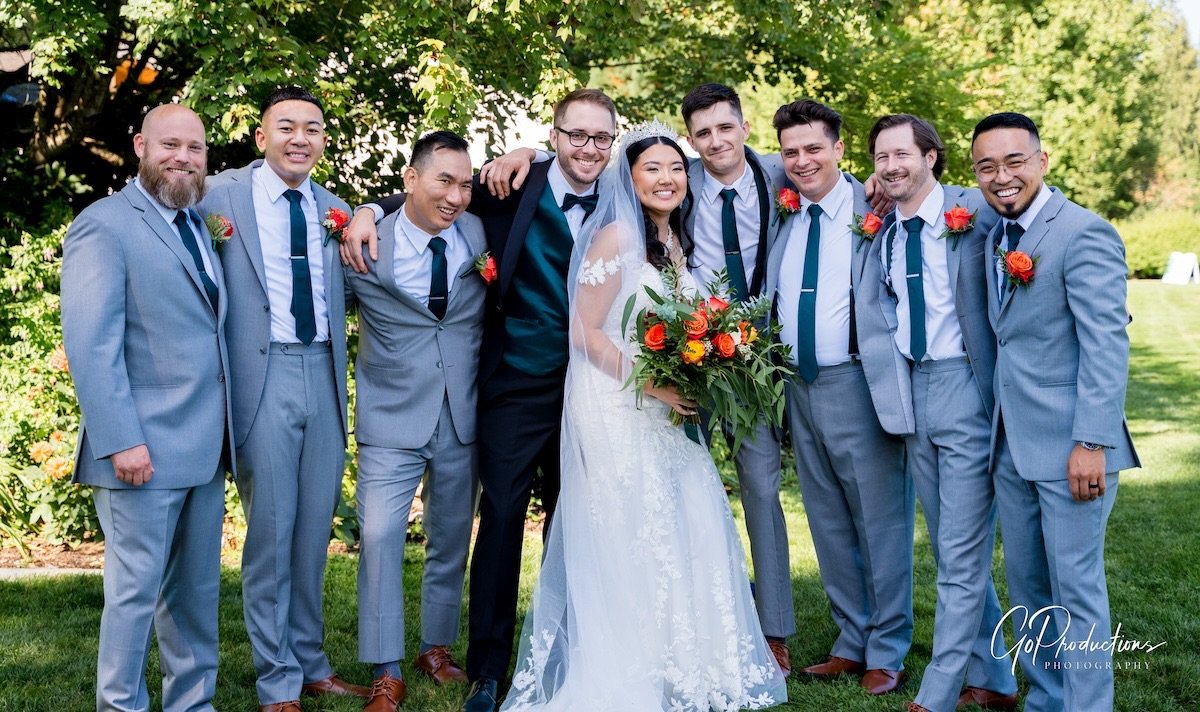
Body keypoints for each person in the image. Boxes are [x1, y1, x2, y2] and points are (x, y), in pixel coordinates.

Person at [341, 88, 618, 712]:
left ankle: (574, 653)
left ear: (613, 141)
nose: (589, 147)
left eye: (601, 137)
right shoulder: (509, 189)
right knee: (499, 519)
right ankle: (488, 669)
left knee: (578, 521)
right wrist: (366, 207)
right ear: (554, 135)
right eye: (576, 134)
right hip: (515, 385)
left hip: (595, 390)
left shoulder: (623, 189)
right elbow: (434, 198)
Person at [500, 120, 787, 712]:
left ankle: (684, 661)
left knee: (685, 518)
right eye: (652, 168)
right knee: (630, 526)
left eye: (677, 168)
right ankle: (628, 665)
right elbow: (584, 332)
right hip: (617, 403)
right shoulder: (616, 238)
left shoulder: (674, 242)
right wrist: (655, 384)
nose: (668, 178)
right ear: (628, 179)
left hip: (666, 408)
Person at [61, 104, 234, 712]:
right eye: (170, 145)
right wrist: (120, 439)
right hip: (142, 449)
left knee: (195, 595)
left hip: (204, 447)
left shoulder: (201, 224)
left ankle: (192, 704)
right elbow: (91, 342)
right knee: (134, 596)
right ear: (140, 146)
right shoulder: (104, 224)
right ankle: (120, 705)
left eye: (195, 148)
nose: (183, 158)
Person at [199, 86, 365, 712]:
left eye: (312, 128)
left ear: (323, 140)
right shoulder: (219, 197)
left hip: (323, 373)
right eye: (287, 126)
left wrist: (368, 209)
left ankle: (311, 664)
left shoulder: (335, 208)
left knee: (313, 531)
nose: (300, 138)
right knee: (271, 531)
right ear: (261, 136)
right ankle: (276, 682)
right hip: (260, 374)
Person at [972, 112, 1139, 712]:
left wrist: (1092, 442)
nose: (1002, 176)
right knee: (1029, 590)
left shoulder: (1083, 233)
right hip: (1012, 445)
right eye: (987, 166)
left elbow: (1105, 344)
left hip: (1074, 448)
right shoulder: (997, 234)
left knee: (1076, 592)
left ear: (1042, 161)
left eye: (1015, 161)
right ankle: (1046, 699)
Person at [867, 114, 1018, 712]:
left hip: (967, 388)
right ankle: (997, 679)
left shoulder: (974, 211)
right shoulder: (882, 230)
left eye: (902, 154)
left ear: (931, 157)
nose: (891, 166)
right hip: (913, 393)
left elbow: (1035, 221)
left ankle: (938, 689)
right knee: (955, 547)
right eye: (882, 157)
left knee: (957, 554)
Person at [763, 99, 914, 696]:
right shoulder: (785, 213)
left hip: (858, 383)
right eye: (791, 151)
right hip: (798, 386)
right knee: (826, 520)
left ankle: (889, 647)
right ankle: (852, 639)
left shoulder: (877, 206)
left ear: (839, 149)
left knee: (880, 522)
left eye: (813, 148)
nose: (802, 160)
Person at [345, 130, 487, 712]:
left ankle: (436, 647)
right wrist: (365, 210)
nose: (455, 196)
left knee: (450, 538)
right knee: (380, 539)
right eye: (443, 180)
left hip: (461, 413)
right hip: (390, 416)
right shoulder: (364, 243)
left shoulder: (479, 233)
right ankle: (386, 669)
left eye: (465, 184)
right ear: (410, 178)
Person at [678, 83, 793, 673]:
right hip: (688, 354)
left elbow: (848, 183)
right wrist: (528, 154)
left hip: (755, 358)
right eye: (703, 133)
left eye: (725, 127)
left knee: (762, 489)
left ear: (745, 128)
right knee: (682, 488)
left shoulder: (781, 175)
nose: (716, 140)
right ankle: (691, 622)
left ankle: (774, 628)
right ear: (691, 140)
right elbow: (596, 173)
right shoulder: (677, 180)